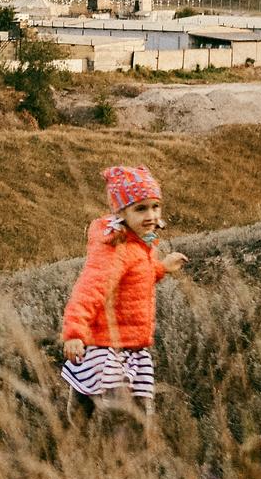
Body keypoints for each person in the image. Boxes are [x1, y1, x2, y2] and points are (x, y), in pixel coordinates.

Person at [60, 165, 189, 420]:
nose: (151, 215)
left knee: (103, 405)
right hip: (108, 347)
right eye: (140, 208)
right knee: (126, 414)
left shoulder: (138, 244)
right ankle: (122, 455)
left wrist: (162, 268)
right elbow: (90, 289)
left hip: (128, 345)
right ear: (121, 211)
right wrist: (74, 332)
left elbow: (135, 279)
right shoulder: (117, 249)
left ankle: (78, 442)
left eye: (155, 206)